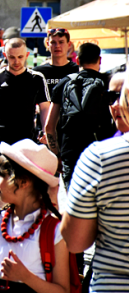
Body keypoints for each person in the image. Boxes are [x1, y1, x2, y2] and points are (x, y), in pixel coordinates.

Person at [0, 139, 70, 293]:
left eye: (2, 176)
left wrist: (26, 277)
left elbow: (63, 290)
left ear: (23, 182)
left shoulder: (53, 230)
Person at [62, 76, 129, 292]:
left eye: (122, 96)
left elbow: (74, 241)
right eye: (110, 97)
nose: (116, 104)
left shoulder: (100, 158)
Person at [0, 38, 50, 205]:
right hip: (0, 141)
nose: (16, 61)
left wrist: (47, 132)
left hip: (27, 142)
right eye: (12, 57)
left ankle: (22, 229)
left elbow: (45, 108)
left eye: (20, 57)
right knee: (1, 195)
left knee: (25, 193)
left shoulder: (37, 78)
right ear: (5, 55)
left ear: (26, 55)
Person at [45, 43, 112, 189]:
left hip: (71, 151)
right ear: (99, 60)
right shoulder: (109, 83)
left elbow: (49, 126)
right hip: (102, 152)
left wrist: (56, 155)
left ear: (77, 60)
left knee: (74, 204)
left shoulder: (65, 82)